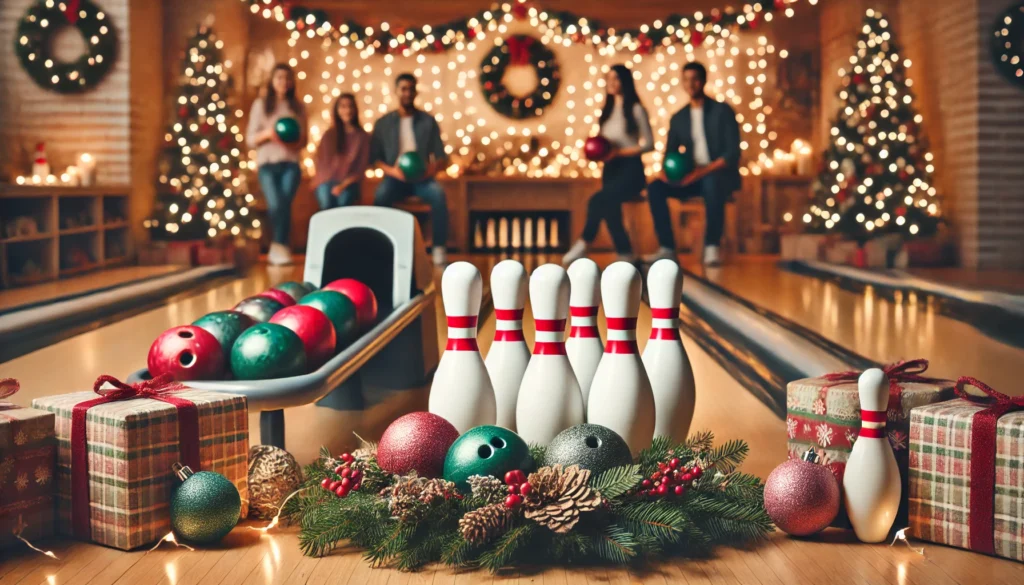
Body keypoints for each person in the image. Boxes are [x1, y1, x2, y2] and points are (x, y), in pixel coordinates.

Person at [645, 61, 741, 267]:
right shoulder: (679, 117)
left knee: (712, 183)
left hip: (719, 175)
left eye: (695, 79)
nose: (691, 84)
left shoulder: (723, 111)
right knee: (654, 188)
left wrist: (701, 172)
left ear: (704, 81)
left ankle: (712, 247)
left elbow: (732, 154)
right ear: (682, 82)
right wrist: (665, 172)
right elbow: (669, 152)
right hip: (689, 176)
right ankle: (667, 248)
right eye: (686, 80)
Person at [562, 64, 654, 265]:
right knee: (609, 205)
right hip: (610, 169)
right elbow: (603, 144)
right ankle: (625, 252)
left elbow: (649, 144)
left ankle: (584, 243)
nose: (611, 83)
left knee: (597, 201)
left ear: (625, 82)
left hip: (631, 170)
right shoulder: (607, 111)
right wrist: (595, 152)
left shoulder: (637, 110)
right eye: (609, 79)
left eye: (616, 79)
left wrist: (619, 152)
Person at [370, 73, 450, 266]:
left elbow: (441, 157)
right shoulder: (383, 123)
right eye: (403, 89)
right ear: (396, 91)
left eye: (411, 89)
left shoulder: (428, 121)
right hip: (395, 178)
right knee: (381, 197)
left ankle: (439, 247)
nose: (407, 93)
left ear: (415, 92)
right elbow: (374, 158)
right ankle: (382, 246)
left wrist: (429, 171)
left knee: (438, 195)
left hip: (422, 178)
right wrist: (392, 171)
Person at [247, 63, 307, 266]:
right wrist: (270, 133)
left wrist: (291, 139)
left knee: (285, 205)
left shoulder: (298, 108)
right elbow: (250, 139)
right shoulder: (260, 105)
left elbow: (303, 141)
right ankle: (278, 245)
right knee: (275, 205)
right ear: (272, 81)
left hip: (290, 164)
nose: (284, 82)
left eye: (287, 78)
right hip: (267, 165)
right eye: (279, 77)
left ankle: (280, 246)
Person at [314, 93, 370, 210]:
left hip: (349, 183)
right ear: (337, 110)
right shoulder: (329, 135)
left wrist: (342, 185)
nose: (347, 110)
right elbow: (320, 161)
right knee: (326, 202)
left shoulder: (362, 137)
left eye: (350, 106)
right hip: (327, 181)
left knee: (343, 202)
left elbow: (361, 169)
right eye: (343, 106)